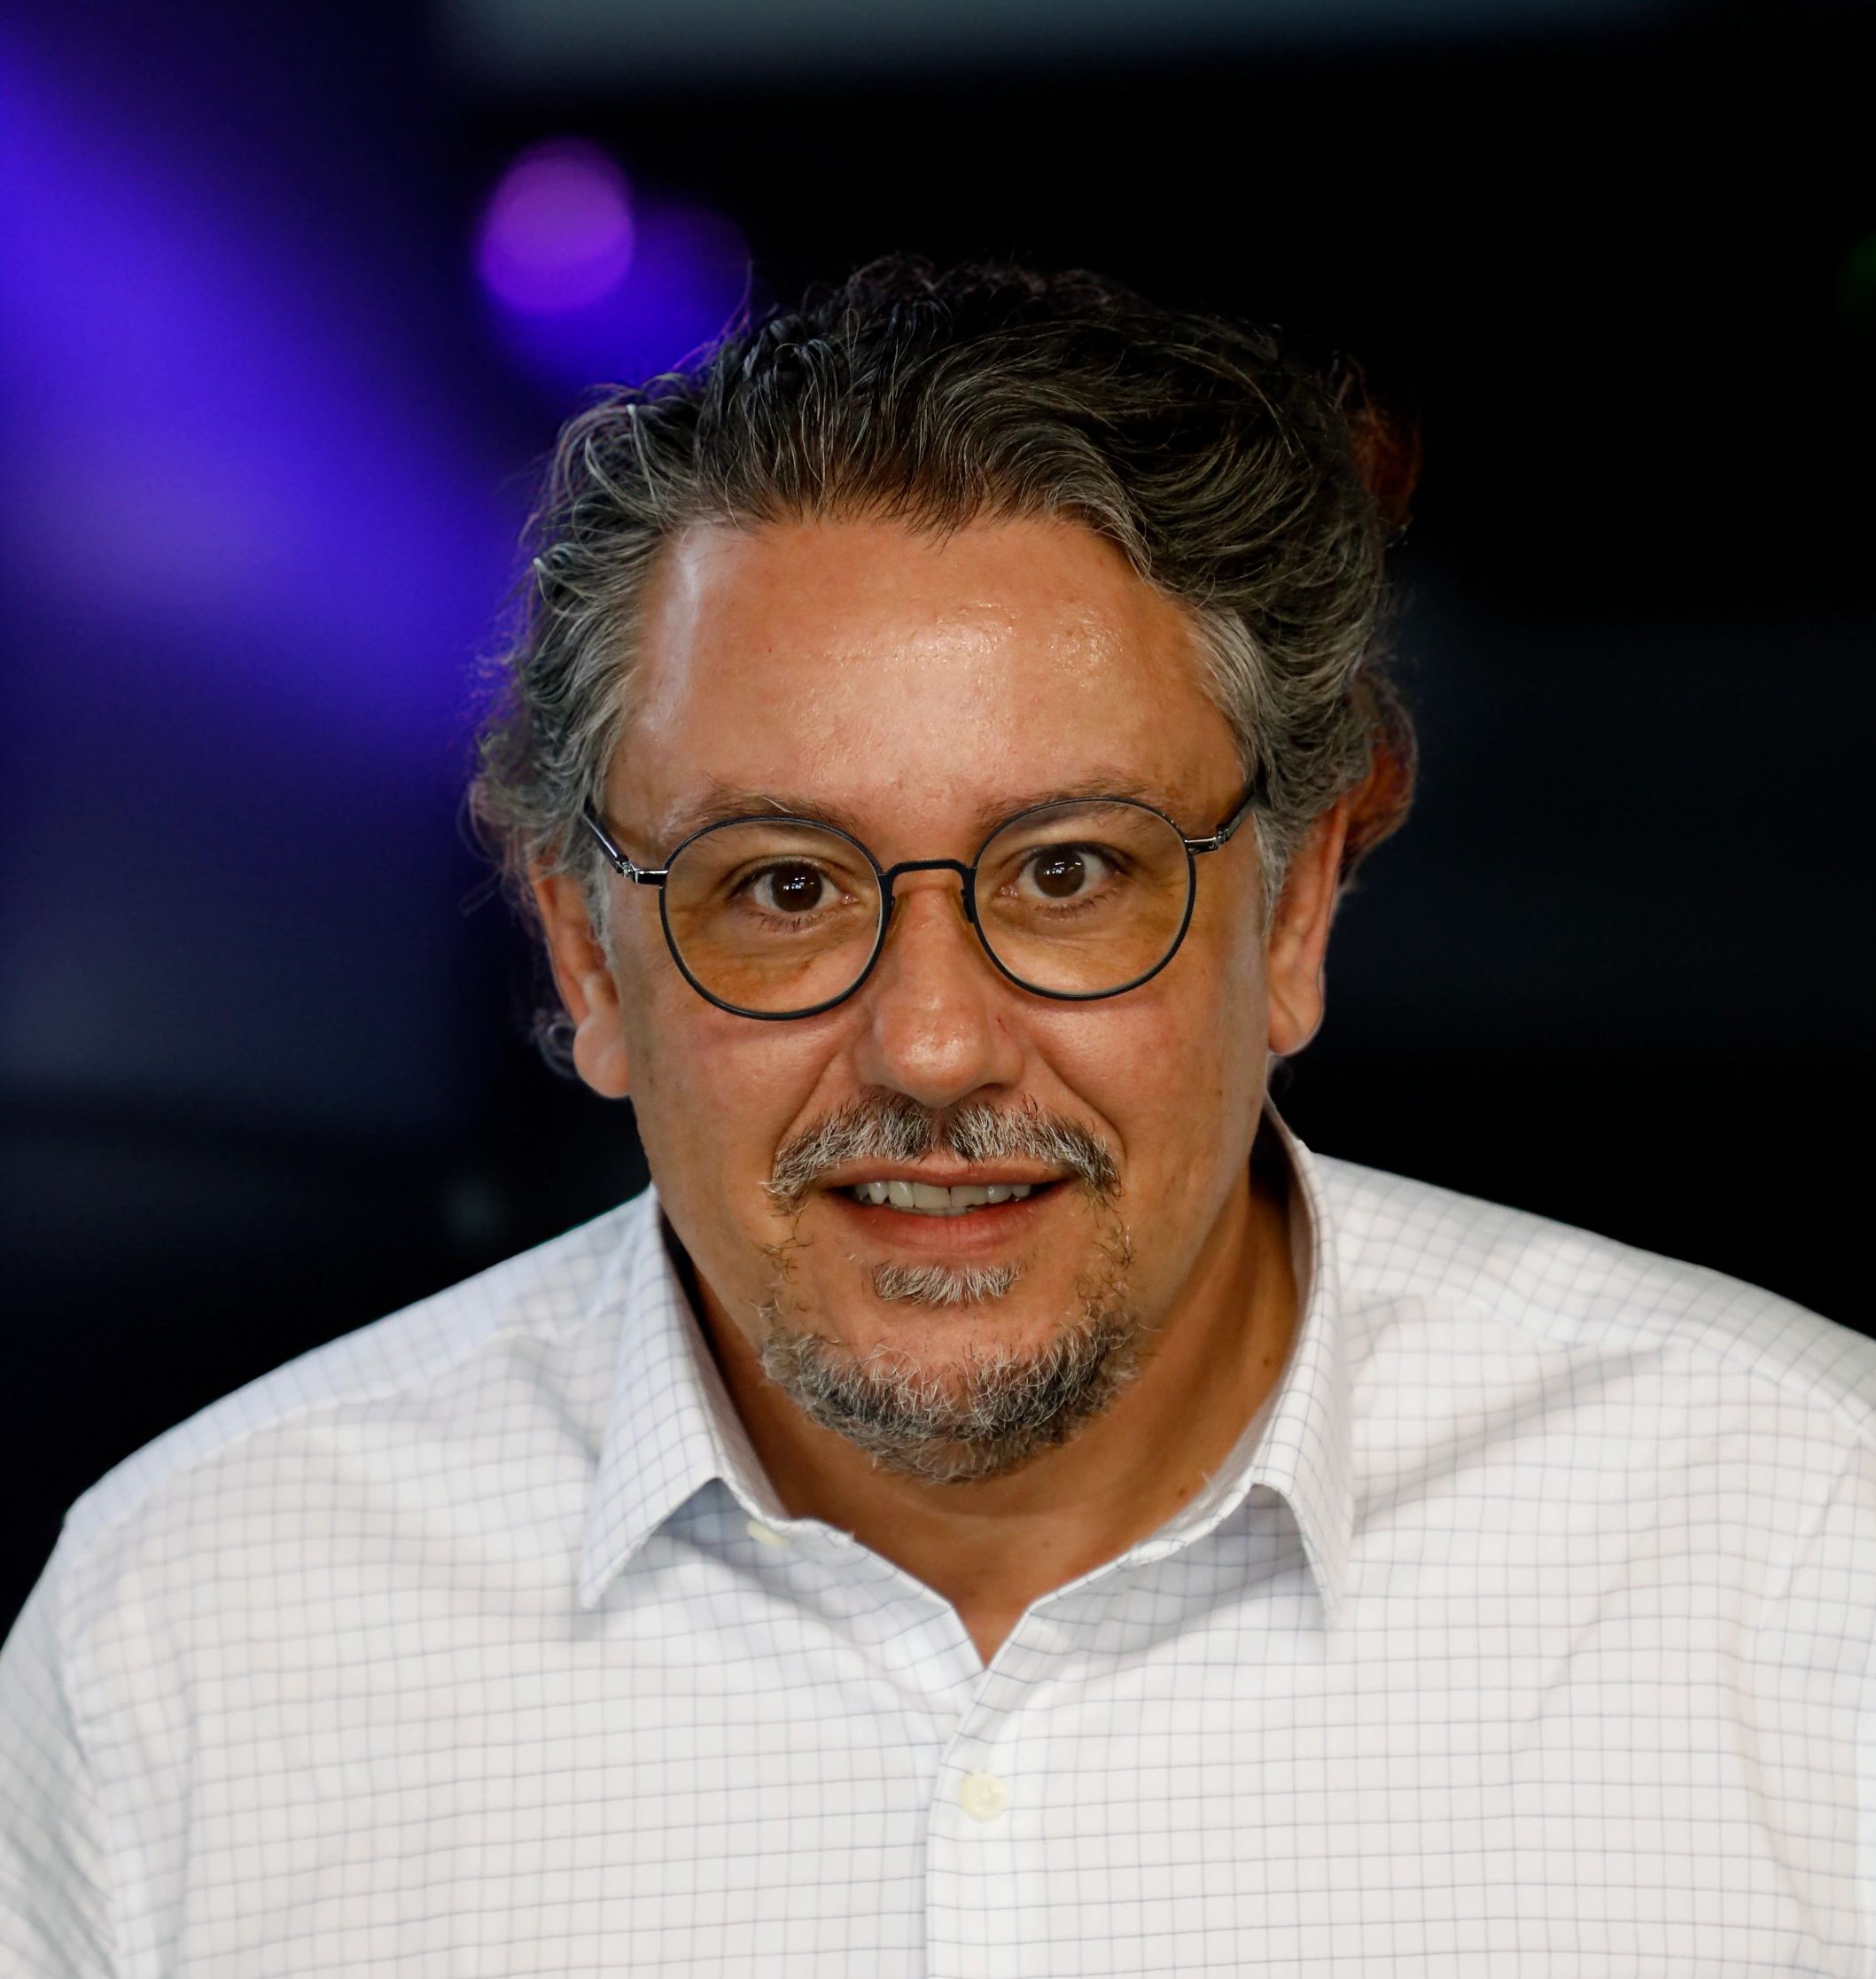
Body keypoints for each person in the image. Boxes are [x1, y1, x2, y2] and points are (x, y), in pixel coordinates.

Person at [3, 257, 1871, 1977]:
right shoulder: (186, 1633)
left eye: (1068, 871)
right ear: (584, 954)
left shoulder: (1807, 1554)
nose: (930, 1047)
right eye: (784, 885)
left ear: (1294, 913)